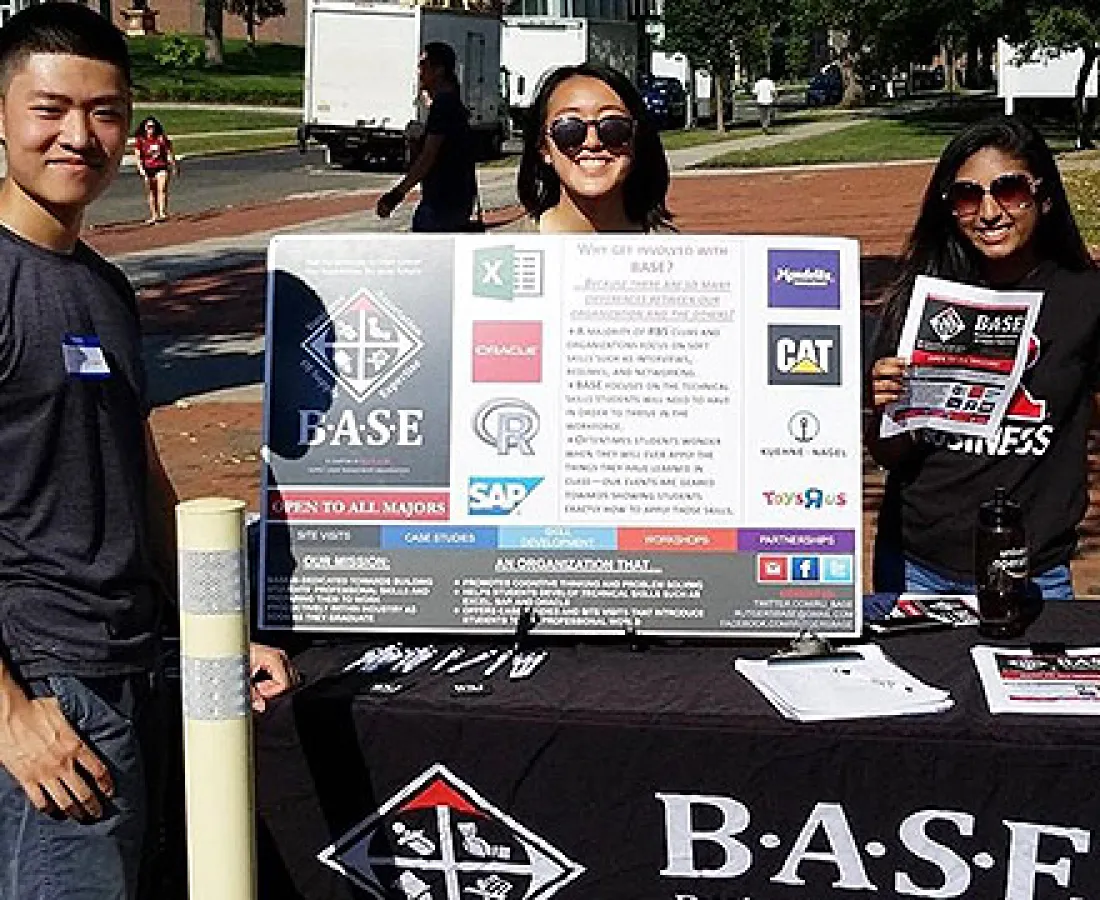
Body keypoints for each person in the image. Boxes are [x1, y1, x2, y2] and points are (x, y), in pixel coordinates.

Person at [0, 6, 298, 898]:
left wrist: (221, 628)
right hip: (46, 692)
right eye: (50, 110)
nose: (79, 137)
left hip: (128, 666)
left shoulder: (102, 287)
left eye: (105, 112)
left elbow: (143, 480)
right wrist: (10, 717)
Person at [866, 114, 1100, 606]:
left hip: (1035, 571)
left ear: (1044, 196)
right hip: (917, 564)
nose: (990, 212)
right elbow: (889, 454)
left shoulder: (1085, 298)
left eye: (1010, 189)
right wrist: (887, 408)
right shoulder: (914, 300)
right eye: (969, 196)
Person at [515, 62, 673, 233]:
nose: (592, 142)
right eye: (569, 128)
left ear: (637, 138)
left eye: (613, 127)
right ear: (543, 147)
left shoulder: (676, 254)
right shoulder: (498, 254)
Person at [375, 41, 477, 232]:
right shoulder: (452, 104)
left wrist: (396, 195)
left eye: (423, 65)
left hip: (441, 204)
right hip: (457, 200)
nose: (419, 71)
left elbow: (428, 158)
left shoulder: (443, 107)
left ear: (439, 70)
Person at [133, 115, 176, 224]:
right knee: (151, 192)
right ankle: (154, 215)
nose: (150, 128)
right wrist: (141, 170)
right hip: (148, 168)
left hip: (161, 167)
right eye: (148, 126)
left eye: (152, 126)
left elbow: (169, 153)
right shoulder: (140, 140)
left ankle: (163, 213)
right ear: (144, 127)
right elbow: (138, 157)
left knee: (162, 189)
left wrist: (174, 165)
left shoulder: (161, 138)